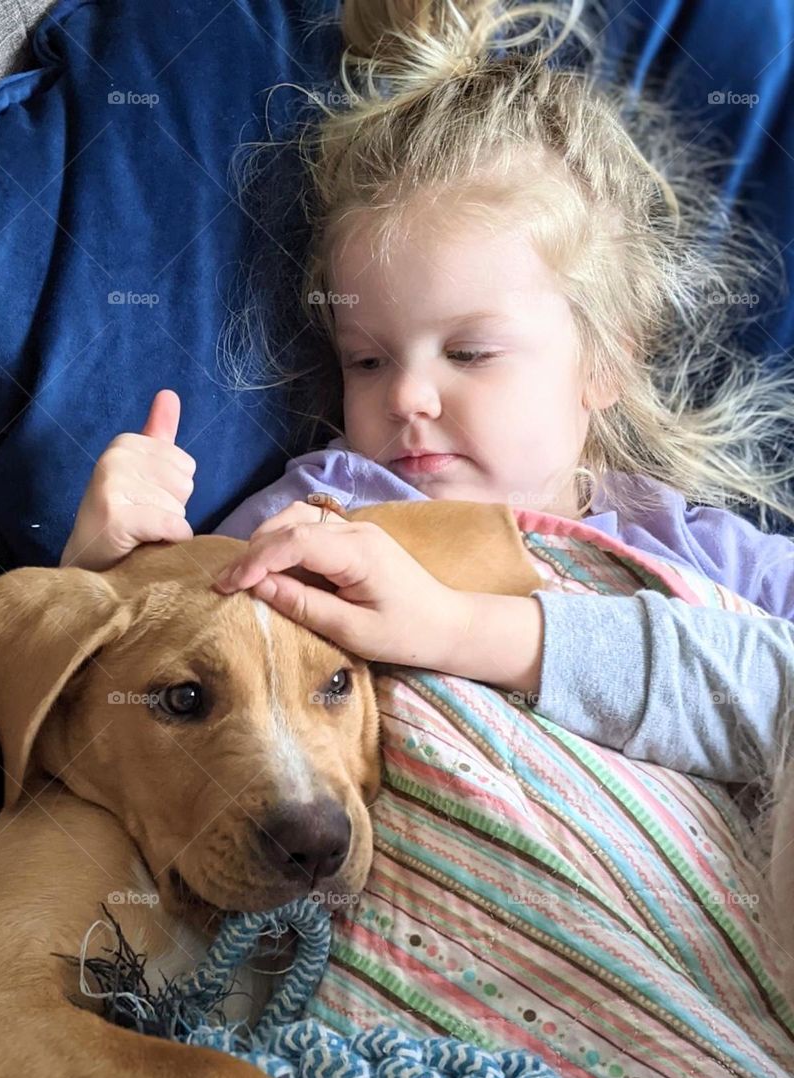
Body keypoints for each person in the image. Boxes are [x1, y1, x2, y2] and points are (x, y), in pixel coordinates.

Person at [59, 0, 794, 796]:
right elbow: (170, 668)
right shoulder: (324, 511)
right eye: (368, 361)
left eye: (469, 353)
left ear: (608, 359)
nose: (407, 394)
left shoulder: (701, 551)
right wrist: (101, 569)